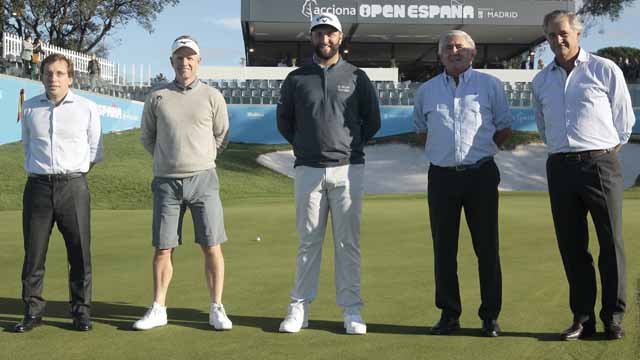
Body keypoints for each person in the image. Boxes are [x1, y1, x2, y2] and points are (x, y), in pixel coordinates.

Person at [532, 10, 635, 341]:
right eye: (550, 35)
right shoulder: (541, 80)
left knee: (610, 242)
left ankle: (613, 316)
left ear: (577, 34)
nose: (557, 39)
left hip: (600, 164)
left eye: (562, 33)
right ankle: (583, 318)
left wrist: (601, 153)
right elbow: (543, 125)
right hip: (560, 166)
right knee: (572, 246)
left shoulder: (604, 69)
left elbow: (624, 122)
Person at [276, 13, 381, 335]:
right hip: (308, 170)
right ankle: (299, 309)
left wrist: (348, 148)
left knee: (348, 244)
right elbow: (285, 122)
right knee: (308, 243)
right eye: (319, 34)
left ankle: (352, 311)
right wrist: (308, 146)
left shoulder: (357, 77)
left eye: (331, 34)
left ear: (340, 38)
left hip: (349, 170)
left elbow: (372, 120)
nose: (325, 39)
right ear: (312, 38)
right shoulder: (296, 78)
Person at [413, 30, 512, 337]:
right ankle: (449, 314)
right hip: (441, 177)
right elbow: (421, 130)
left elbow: (504, 127)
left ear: (472, 53)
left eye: (460, 47)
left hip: (480, 175)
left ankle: (489, 315)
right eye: (447, 48)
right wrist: (445, 153)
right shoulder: (426, 91)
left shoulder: (490, 86)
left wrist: (482, 151)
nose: (454, 51)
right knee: (443, 249)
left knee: (487, 248)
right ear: (440, 55)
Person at [134, 35, 232, 331]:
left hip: (204, 179)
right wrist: (168, 159)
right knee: (163, 248)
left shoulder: (213, 96)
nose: (185, 62)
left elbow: (222, 136)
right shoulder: (156, 97)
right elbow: (147, 137)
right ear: (172, 62)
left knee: (211, 245)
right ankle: (158, 308)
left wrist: (200, 157)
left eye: (190, 57)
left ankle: (216, 307)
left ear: (198, 61)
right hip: (166, 183)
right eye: (179, 57)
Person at [14, 53, 103, 333]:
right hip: (37, 187)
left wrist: (74, 172)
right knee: (34, 253)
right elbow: (28, 146)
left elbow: (94, 151)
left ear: (70, 77)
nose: (54, 78)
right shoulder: (29, 109)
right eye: (49, 73)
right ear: (41, 76)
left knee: (79, 253)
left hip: (73, 186)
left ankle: (81, 312)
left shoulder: (87, 108)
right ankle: (32, 311)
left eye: (60, 73)